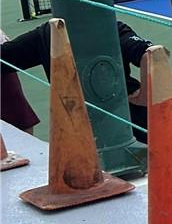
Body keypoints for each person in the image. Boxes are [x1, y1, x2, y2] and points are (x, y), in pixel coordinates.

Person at [0, 20, 153, 141]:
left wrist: (143, 98)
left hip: (99, 125)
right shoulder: (110, 26)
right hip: (116, 121)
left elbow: (150, 55)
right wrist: (143, 98)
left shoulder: (47, 33)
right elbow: (151, 55)